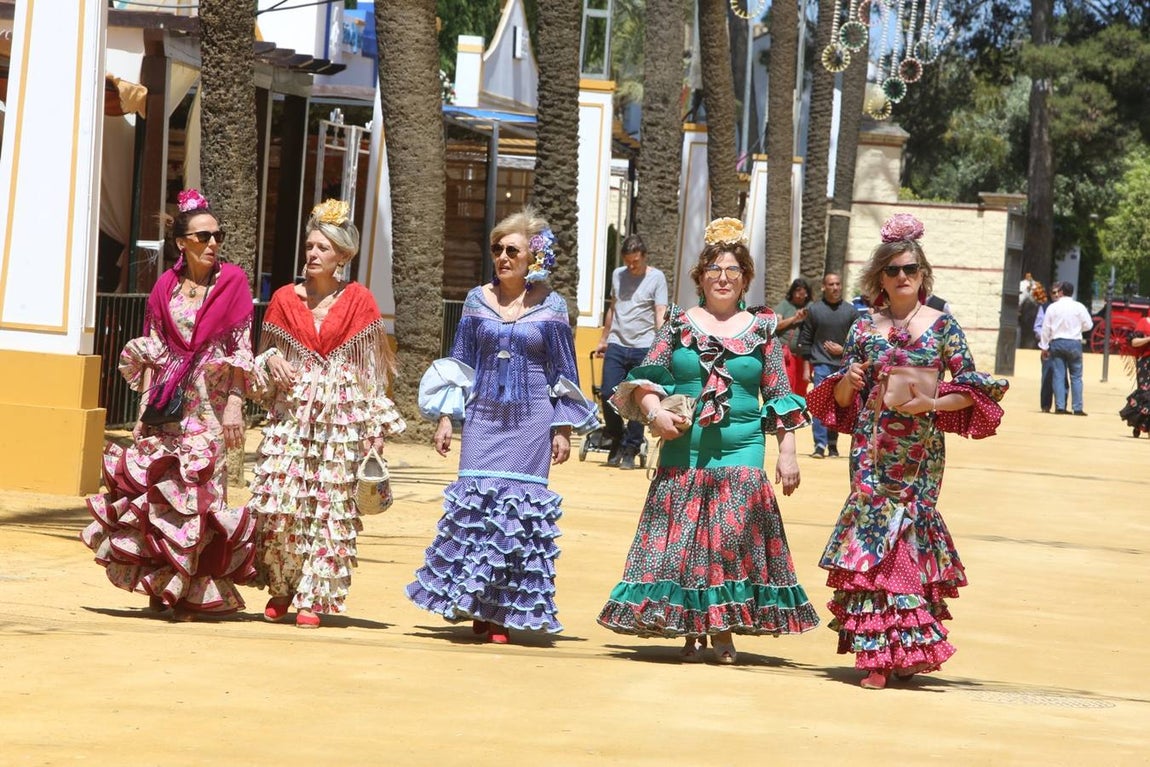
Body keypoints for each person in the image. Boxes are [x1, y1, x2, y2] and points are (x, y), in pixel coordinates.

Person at [597, 217, 819, 665]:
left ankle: (721, 629)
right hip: (684, 446)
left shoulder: (761, 330)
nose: (723, 277)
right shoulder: (678, 324)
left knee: (729, 539)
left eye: (733, 270)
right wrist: (656, 413)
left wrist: (788, 452)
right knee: (684, 542)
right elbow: (644, 378)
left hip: (742, 445)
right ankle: (690, 629)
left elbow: (777, 392)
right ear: (700, 277)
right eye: (715, 269)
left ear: (745, 280)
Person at [806, 213, 1008, 689]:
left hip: (918, 455)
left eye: (911, 270)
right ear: (880, 277)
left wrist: (932, 402)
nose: (902, 277)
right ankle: (879, 654)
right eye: (893, 270)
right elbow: (840, 403)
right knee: (875, 540)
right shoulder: (862, 328)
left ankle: (903, 649)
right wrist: (848, 382)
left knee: (905, 538)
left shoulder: (944, 328)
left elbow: (974, 391)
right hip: (870, 453)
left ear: (923, 276)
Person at [408, 207, 598, 644]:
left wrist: (562, 428)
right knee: (477, 508)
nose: (502, 257)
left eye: (512, 249)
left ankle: (501, 610)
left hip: (532, 416)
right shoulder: (476, 300)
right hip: (483, 415)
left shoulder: (552, 306)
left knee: (517, 513)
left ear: (534, 255)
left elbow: (564, 370)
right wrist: (445, 418)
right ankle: (475, 602)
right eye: (497, 249)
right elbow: (460, 361)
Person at [81, 188, 257, 621]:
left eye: (218, 235)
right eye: (203, 237)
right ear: (182, 243)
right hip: (169, 402)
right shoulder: (165, 287)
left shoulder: (232, 282)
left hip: (211, 404)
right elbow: (153, 350)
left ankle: (196, 590)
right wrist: (143, 412)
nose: (213, 243)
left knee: (205, 494)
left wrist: (236, 403)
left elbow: (241, 346)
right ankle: (164, 585)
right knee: (164, 495)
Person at [244, 199, 405, 629]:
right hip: (292, 416)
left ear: (342, 257)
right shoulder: (282, 299)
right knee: (281, 506)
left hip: (341, 420)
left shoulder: (359, 301)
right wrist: (273, 357)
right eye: (310, 245)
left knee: (328, 507)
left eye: (323, 248)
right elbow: (261, 362)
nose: (312, 254)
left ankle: (313, 597)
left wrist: (374, 431)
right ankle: (281, 585)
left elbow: (371, 375)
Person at [593, 234, 669, 469]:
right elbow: (613, 309)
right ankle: (615, 436)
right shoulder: (618, 275)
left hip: (644, 345)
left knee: (639, 397)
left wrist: (661, 344)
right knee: (607, 392)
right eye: (628, 262)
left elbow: (659, 311)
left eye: (635, 261)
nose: (631, 266)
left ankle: (631, 445)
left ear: (644, 257)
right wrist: (604, 338)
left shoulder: (657, 278)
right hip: (617, 342)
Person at [797, 272, 858, 458]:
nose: (835, 288)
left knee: (839, 405)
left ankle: (833, 444)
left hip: (843, 366)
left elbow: (859, 341)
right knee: (820, 405)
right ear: (824, 286)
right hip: (821, 364)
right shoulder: (814, 311)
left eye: (838, 284)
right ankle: (819, 444)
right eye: (831, 284)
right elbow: (805, 340)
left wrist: (844, 350)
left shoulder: (850, 312)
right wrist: (807, 369)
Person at [1040, 280, 1093, 415]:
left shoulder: (1053, 307)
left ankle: (1060, 406)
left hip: (1057, 342)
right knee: (1076, 376)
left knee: (1058, 374)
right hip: (1074, 342)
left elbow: (1046, 328)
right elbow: (1089, 325)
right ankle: (1078, 407)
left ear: (1061, 292)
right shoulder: (1079, 307)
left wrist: (1044, 347)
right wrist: (1077, 328)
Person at [774, 277, 812, 396]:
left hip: (805, 356)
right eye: (797, 291)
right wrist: (795, 318)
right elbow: (777, 325)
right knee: (788, 385)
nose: (800, 295)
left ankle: (799, 413)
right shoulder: (784, 305)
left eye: (803, 291)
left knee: (802, 386)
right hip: (787, 354)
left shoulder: (812, 307)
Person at [1031, 282, 1064, 412]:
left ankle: (1061, 406)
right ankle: (1045, 405)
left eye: (1058, 292)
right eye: (1053, 293)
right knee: (1047, 377)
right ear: (1050, 294)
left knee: (1062, 377)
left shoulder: (1066, 307)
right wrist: (1044, 339)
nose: (1056, 295)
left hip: (1061, 344)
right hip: (1048, 346)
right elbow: (1037, 326)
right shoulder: (1044, 307)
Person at [1118, 315, 1150, 437]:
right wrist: (1148, 339)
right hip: (1146, 362)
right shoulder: (1144, 322)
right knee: (1145, 394)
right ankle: (1138, 424)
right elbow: (1134, 342)